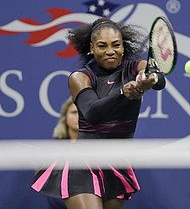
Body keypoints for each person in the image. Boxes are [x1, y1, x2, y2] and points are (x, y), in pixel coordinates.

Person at [32, 17, 166, 209]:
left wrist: (150, 79)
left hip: (116, 162)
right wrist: (124, 93)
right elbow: (92, 112)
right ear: (91, 48)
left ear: (123, 47)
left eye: (116, 45)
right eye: (102, 46)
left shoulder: (137, 68)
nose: (110, 51)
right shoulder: (80, 77)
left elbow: (159, 81)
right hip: (83, 163)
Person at [32, 97, 78, 209]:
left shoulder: (98, 148)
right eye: (74, 112)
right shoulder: (52, 149)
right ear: (65, 118)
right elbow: (41, 179)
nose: (79, 117)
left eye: (83, 113)